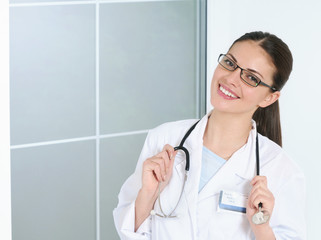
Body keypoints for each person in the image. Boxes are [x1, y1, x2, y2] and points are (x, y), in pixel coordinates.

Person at [113, 31, 306, 239]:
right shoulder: (163, 139)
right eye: (230, 63)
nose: (231, 79)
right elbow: (129, 231)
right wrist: (148, 195)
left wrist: (261, 227)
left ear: (269, 97)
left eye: (251, 78)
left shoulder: (281, 170)